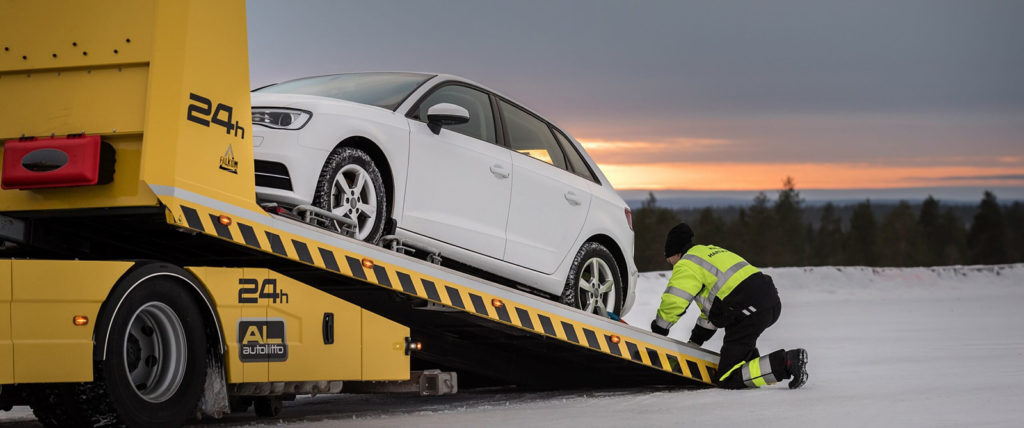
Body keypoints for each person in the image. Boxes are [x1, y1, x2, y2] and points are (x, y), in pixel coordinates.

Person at [650, 223, 809, 389]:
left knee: (726, 376)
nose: (670, 264)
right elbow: (712, 311)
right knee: (742, 352)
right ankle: (763, 366)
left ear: (676, 252)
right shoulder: (708, 252)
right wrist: (695, 341)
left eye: (669, 260)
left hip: (748, 310)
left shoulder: (687, 263)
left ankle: (788, 362)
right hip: (766, 302)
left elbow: (674, 300)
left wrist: (660, 330)